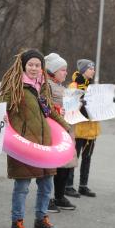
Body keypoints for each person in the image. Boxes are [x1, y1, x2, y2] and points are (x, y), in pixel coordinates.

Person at [0, 49, 69, 228]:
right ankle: (17, 222)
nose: (35, 68)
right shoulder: (15, 86)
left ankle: (41, 219)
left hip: (45, 146)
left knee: (46, 185)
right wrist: (2, 118)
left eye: (38, 65)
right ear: (23, 66)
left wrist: (65, 126)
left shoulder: (41, 87)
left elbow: (50, 112)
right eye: (31, 65)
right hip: (24, 147)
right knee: (22, 187)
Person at [45, 53, 77, 213]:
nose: (65, 73)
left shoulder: (63, 88)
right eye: (62, 70)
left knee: (66, 165)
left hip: (68, 130)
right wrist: (58, 109)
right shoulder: (47, 86)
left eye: (66, 70)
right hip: (55, 131)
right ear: (53, 71)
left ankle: (59, 196)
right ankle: (48, 198)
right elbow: (46, 108)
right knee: (53, 167)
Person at [65, 59, 100, 198]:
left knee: (88, 157)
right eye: (91, 68)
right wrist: (80, 102)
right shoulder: (74, 85)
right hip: (78, 129)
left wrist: (107, 101)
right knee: (74, 157)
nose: (93, 71)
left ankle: (83, 186)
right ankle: (68, 186)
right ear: (84, 70)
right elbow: (69, 107)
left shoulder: (93, 87)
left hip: (92, 129)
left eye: (93, 68)